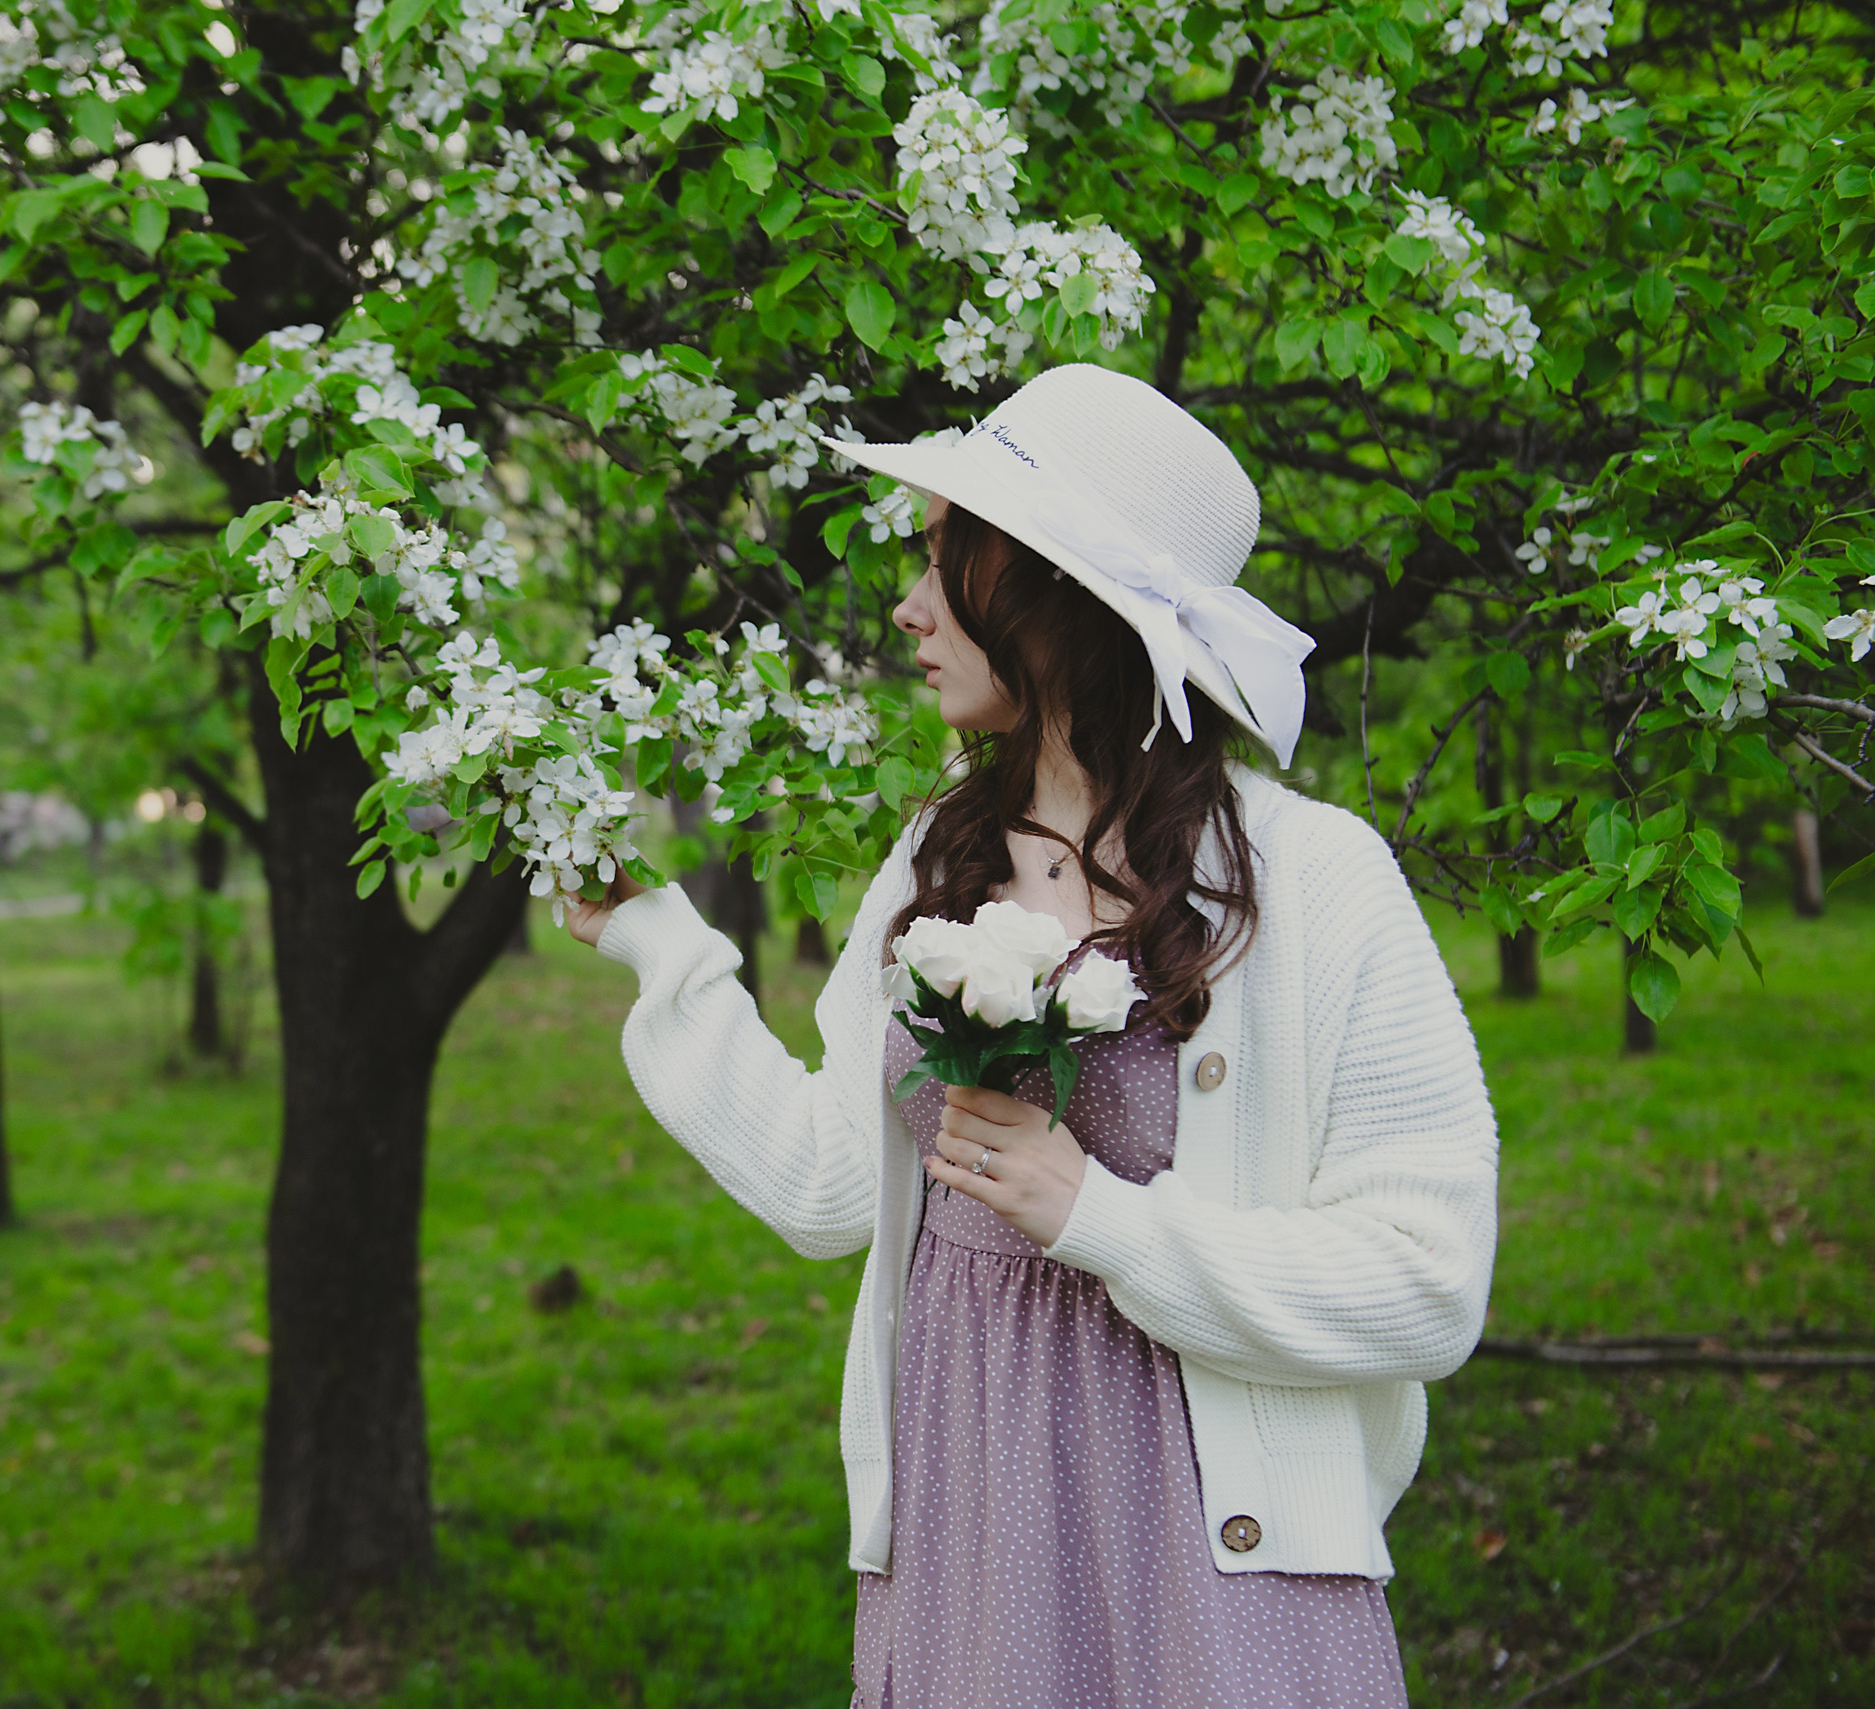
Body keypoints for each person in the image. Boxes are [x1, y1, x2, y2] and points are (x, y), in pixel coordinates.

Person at [564, 365, 1499, 1707]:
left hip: (1212, 1569)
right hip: (969, 1530)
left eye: (949, 560)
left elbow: (1428, 1277)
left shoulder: (1316, 879)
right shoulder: (930, 862)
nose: (909, 604)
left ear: (1057, 593)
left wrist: (1102, 1216)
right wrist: (662, 944)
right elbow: (835, 1185)